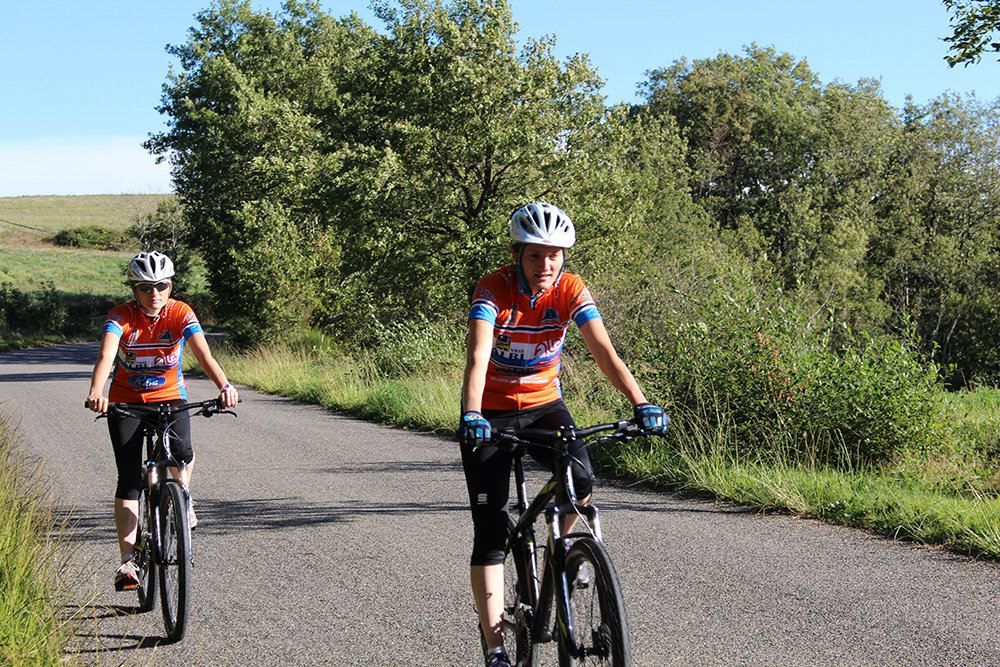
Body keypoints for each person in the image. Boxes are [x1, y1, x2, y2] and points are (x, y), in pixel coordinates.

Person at [459, 202, 667, 667]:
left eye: (554, 255)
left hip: (543, 407)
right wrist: (472, 413)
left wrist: (641, 402)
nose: (545, 265)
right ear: (518, 254)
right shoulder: (493, 289)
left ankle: (567, 552)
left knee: (582, 482)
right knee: (491, 530)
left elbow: (604, 350)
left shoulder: (570, 290)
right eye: (535, 256)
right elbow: (477, 356)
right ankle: (495, 648)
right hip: (488, 413)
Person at [85, 251, 239, 591]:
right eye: (144, 287)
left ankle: (183, 497)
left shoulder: (181, 312)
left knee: (182, 453)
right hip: (126, 402)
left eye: (161, 285)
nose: (153, 293)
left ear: (170, 286)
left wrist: (224, 386)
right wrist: (98, 392)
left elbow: (203, 354)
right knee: (129, 479)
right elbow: (106, 355)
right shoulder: (121, 317)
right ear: (133, 289)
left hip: (170, 398)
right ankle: (128, 563)